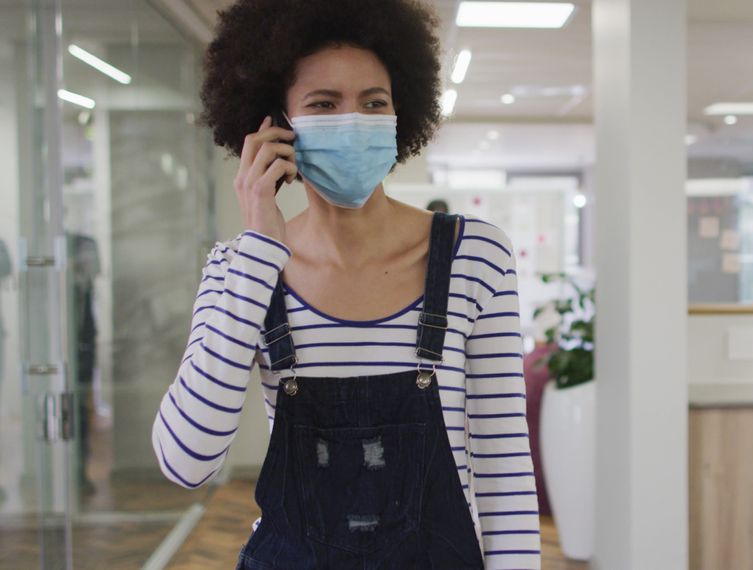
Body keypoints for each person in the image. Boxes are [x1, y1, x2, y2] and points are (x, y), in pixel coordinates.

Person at [150, 2, 540, 568]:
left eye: (373, 103)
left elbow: (505, 471)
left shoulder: (474, 255)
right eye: (324, 104)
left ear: (400, 112)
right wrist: (261, 246)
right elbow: (187, 462)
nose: (353, 120)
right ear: (275, 124)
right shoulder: (237, 269)